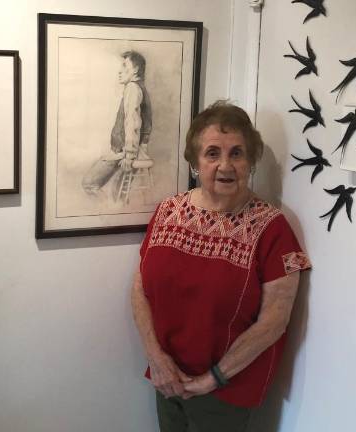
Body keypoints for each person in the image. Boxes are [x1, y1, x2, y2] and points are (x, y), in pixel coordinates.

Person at [131, 101, 311, 432]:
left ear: (250, 161)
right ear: (196, 162)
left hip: (227, 391)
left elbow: (275, 321)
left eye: (237, 153)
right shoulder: (168, 211)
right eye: (212, 153)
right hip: (166, 379)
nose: (225, 165)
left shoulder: (272, 228)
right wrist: (156, 359)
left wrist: (213, 379)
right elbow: (140, 287)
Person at [81, 50, 152, 199]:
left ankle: (105, 212)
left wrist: (129, 156)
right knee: (117, 194)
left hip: (124, 152)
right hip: (127, 151)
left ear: (136, 70)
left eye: (125, 66)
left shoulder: (133, 88)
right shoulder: (138, 88)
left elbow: (132, 123)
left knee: (89, 183)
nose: (120, 71)